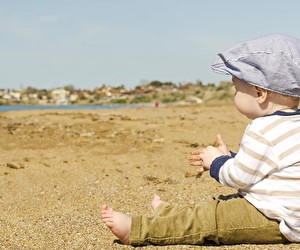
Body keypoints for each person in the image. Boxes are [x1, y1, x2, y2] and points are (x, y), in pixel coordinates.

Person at [101, 34, 300, 246]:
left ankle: (139, 229)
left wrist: (216, 162)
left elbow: (239, 178)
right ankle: (170, 213)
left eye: (236, 89)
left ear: (259, 93)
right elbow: (267, 166)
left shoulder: (262, 129)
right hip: (287, 211)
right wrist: (230, 157)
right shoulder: (293, 123)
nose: (235, 94)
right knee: (220, 206)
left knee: (211, 218)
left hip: (277, 217)